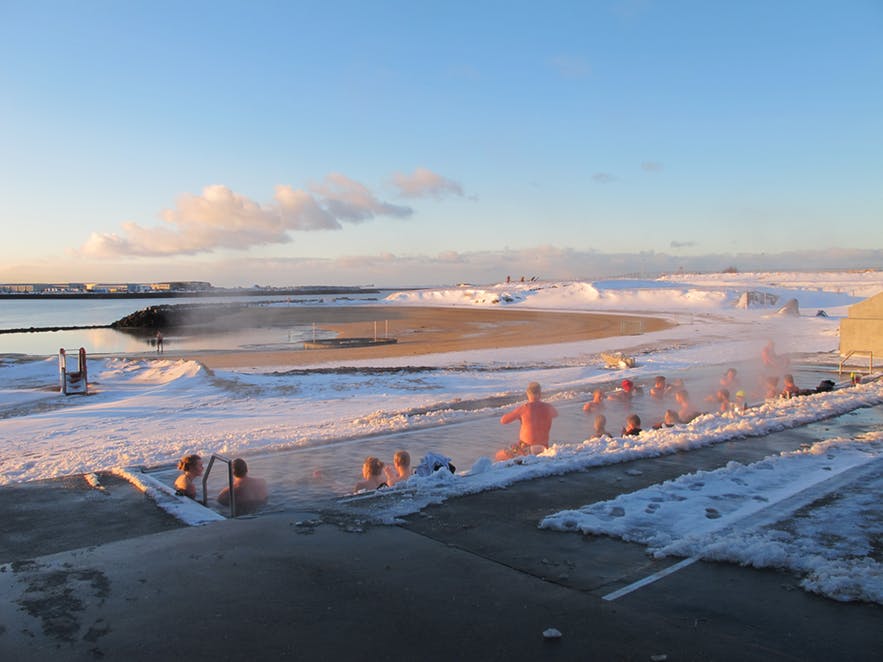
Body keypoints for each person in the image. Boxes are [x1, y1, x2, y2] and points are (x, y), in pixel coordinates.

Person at [496, 381, 558, 460]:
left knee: (498, 455)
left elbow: (503, 420)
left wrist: (518, 414)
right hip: (544, 446)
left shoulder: (524, 408)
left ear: (528, 394)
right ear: (540, 394)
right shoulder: (549, 407)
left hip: (527, 448)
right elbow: (555, 414)